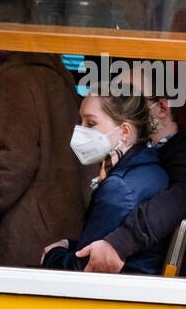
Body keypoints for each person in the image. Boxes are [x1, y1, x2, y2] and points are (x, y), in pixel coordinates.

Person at [0, 16, 89, 267]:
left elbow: (16, 161)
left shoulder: (17, 79)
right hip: (63, 224)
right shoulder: (56, 78)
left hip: (28, 230)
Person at [74, 78, 186, 274]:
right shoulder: (150, 157)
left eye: (131, 97)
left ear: (161, 107)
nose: (125, 103)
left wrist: (120, 242)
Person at [41, 91, 170, 274]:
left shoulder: (119, 188)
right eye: (81, 122)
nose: (80, 130)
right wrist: (69, 244)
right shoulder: (152, 169)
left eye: (91, 123)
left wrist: (52, 254)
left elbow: (86, 268)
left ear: (124, 131)